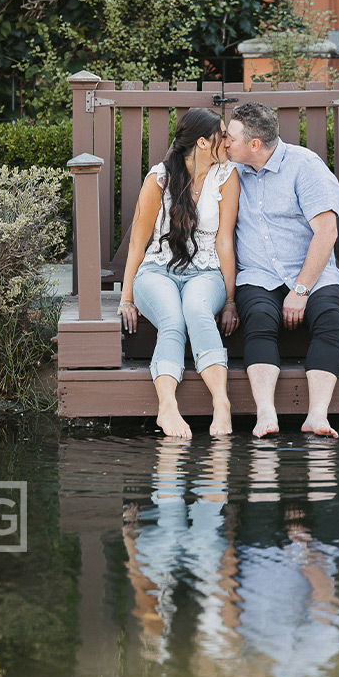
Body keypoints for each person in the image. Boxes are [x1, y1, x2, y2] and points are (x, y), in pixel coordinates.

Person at [223, 102, 339, 439]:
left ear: (254, 145)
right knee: (261, 318)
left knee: (331, 318)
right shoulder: (230, 169)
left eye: (230, 137)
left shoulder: (305, 167)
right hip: (258, 275)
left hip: (310, 273)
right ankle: (266, 414)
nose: (224, 142)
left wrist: (301, 289)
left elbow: (327, 232)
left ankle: (317, 416)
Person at [117, 108, 240, 439]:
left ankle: (221, 404)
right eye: (222, 135)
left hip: (206, 271)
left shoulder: (226, 177)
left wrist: (230, 300)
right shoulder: (158, 179)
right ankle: (167, 408)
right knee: (172, 319)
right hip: (157, 270)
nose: (228, 141)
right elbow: (137, 244)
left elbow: (225, 242)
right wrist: (126, 297)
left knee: (197, 311)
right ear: (202, 142)